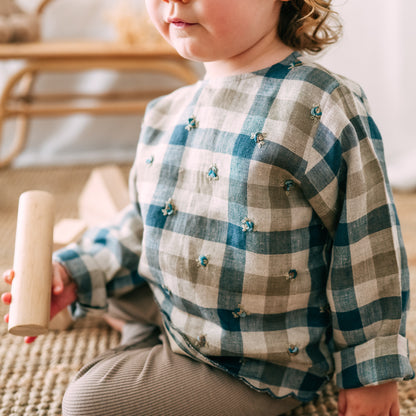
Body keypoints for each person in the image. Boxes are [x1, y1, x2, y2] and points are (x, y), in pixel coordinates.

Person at [2, 0, 414, 415]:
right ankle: (143, 328)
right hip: (178, 303)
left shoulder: (320, 102)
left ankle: (141, 336)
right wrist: (71, 274)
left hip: (254, 361)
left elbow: (366, 247)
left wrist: (372, 373)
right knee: (104, 274)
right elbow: (144, 227)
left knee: (88, 402)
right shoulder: (167, 110)